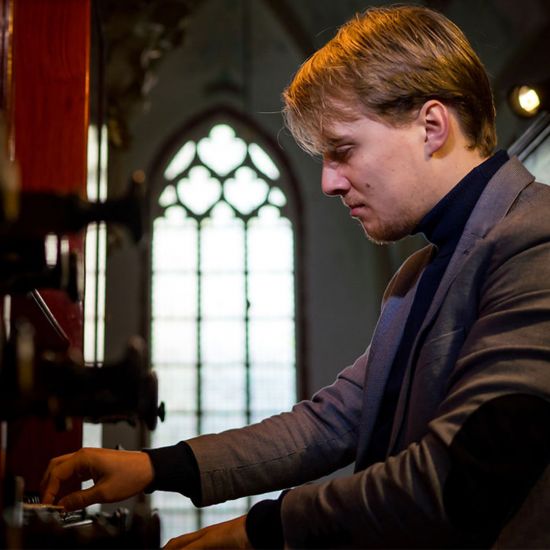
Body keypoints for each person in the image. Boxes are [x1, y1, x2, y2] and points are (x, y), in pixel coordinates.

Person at [41, 5, 550, 548]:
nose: (329, 183)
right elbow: (330, 424)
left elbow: (458, 481)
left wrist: (264, 529)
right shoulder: (415, 275)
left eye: (344, 151)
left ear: (431, 126)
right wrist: (154, 467)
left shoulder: (535, 236)